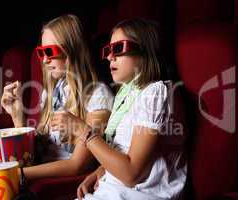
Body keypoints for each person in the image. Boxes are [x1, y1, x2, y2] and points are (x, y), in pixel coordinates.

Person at [0, 14, 113, 200]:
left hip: (48, 184)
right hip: (29, 174)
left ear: (72, 51)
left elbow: (77, 165)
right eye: (41, 53)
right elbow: (33, 153)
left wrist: (14, 174)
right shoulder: (52, 91)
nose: (44, 60)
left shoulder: (98, 95)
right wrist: (17, 116)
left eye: (49, 52)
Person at [57, 18, 187, 200]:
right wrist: (100, 171)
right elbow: (125, 150)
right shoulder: (126, 93)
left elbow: (131, 174)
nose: (110, 56)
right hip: (112, 191)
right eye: (108, 50)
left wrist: (83, 131)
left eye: (118, 48)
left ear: (145, 50)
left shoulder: (156, 93)